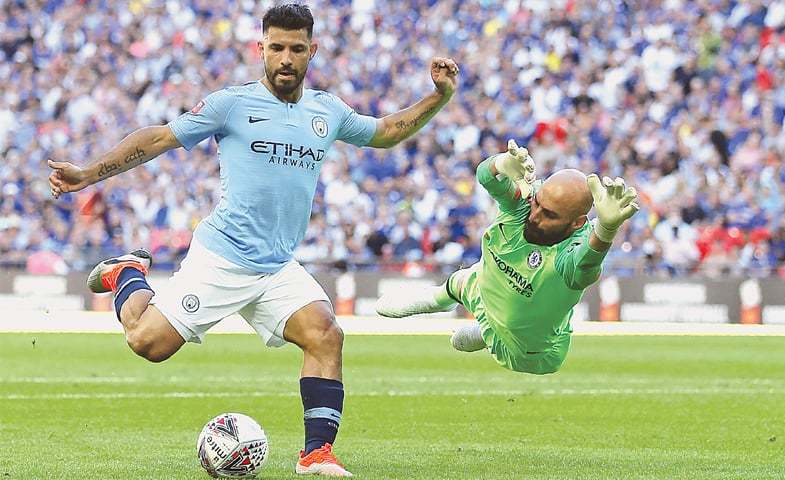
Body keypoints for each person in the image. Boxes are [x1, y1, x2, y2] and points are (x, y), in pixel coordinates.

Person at [47, 4, 459, 477]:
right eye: (277, 47)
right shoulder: (231, 104)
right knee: (147, 343)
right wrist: (88, 174)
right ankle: (127, 273)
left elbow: (384, 133)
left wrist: (438, 98)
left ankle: (316, 454)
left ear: (313, 51)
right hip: (222, 258)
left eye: (297, 49)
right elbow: (159, 138)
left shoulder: (327, 110)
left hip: (278, 266)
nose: (286, 58)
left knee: (326, 334)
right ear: (261, 48)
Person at [377, 140, 638, 375]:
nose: (535, 215)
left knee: (497, 294)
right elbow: (486, 178)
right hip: (485, 287)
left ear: (576, 223)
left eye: (549, 215)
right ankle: (439, 299)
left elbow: (587, 264)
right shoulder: (526, 202)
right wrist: (501, 163)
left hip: (531, 351)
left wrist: (606, 229)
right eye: (538, 203)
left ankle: (487, 332)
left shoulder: (571, 254)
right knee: (466, 279)